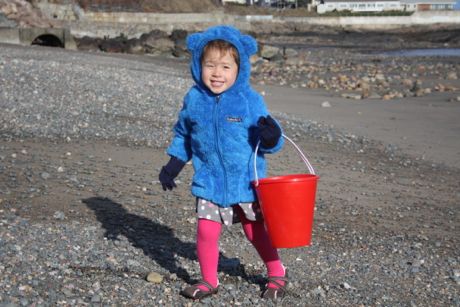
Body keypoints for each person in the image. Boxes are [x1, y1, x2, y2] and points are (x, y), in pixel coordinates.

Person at [159, 25, 287, 300]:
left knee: (255, 232)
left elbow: (270, 140)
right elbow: (184, 135)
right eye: (210, 66)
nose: (217, 73)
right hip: (209, 180)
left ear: (239, 69)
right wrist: (173, 166)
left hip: (245, 182)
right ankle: (208, 280)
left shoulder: (249, 101)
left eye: (226, 67)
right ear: (198, 65)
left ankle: (277, 272)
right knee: (206, 230)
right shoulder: (194, 99)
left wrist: (272, 136)